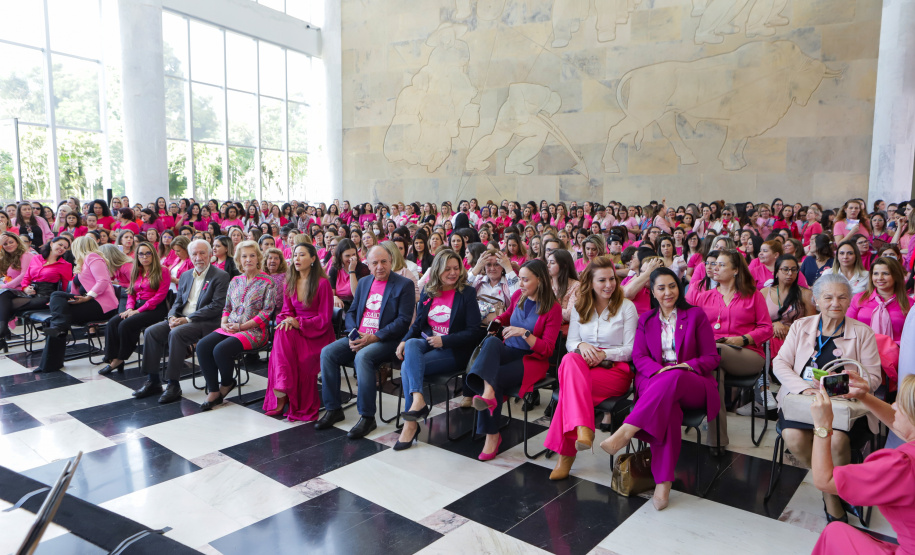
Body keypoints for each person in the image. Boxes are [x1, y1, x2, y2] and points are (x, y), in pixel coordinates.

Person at [599, 267, 721, 510]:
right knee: (669, 411)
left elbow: (711, 357)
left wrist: (684, 366)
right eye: (661, 288)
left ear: (679, 287)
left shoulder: (695, 316)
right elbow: (639, 357)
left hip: (692, 382)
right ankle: (663, 483)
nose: (668, 292)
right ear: (652, 292)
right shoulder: (646, 320)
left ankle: (626, 431)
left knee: (674, 377)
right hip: (655, 381)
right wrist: (660, 372)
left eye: (672, 286)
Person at [773, 272, 882, 522]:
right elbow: (780, 363)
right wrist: (802, 387)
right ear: (817, 300)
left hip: (842, 407)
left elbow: (874, 378)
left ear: (849, 301)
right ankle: (831, 493)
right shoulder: (801, 326)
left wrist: (843, 385)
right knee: (792, 436)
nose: (835, 303)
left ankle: (832, 489)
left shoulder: (862, 333)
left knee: (836, 442)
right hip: (803, 403)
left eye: (842, 297)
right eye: (828, 297)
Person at [545, 256, 638, 480]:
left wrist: (605, 353)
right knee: (569, 360)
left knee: (568, 393)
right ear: (590, 282)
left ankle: (567, 454)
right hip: (582, 368)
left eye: (612, 279)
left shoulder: (626, 307)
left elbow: (631, 349)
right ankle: (583, 429)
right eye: (601, 280)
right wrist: (582, 345)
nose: (608, 285)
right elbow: (570, 344)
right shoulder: (580, 306)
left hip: (615, 370)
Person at [465, 259, 562, 460]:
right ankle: (489, 395)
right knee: (492, 343)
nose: (521, 284)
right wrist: (499, 320)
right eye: (520, 279)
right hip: (510, 351)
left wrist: (525, 333)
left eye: (525, 280)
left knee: (494, 377)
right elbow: (509, 314)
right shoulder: (519, 295)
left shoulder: (553, 308)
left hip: (532, 360)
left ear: (540, 280)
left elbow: (548, 350)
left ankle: (492, 436)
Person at [316, 246, 415, 439]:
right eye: (374, 263)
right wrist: (355, 333)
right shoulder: (363, 283)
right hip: (360, 335)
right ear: (367, 265)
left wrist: (375, 337)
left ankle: (367, 417)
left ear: (391, 261)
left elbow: (403, 322)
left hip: (387, 340)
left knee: (363, 357)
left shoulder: (404, 285)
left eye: (383, 262)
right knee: (328, 353)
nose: (379, 267)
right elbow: (351, 312)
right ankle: (334, 408)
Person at [810, 374, 915, 554]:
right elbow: (906, 428)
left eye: (901, 404)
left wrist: (822, 425)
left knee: (835, 532)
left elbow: (824, 480)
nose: (894, 406)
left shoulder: (902, 466)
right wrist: (863, 396)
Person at [393, 250, 483, 450]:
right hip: (427, 343)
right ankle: (418, 398)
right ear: (437, 270)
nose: (453, 273)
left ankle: (410, 423)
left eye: (456, 268)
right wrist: (404, 340)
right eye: (447, 269)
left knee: (408, 366)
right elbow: (417, 325)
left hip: (454, 351)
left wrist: (446, 340)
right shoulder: (428, 291)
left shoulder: (466, 293)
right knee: (412, 344)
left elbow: (474, 332)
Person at [133, 239, 230, 403]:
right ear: (190, 256)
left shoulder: (220, 275)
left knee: (177, 334)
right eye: (195, 254)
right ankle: (153, 380)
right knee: (151, 332)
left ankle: (173, 384)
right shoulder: (185, 275)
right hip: (182, 319)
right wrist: (172, 317)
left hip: (206, 322)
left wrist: (187, 319)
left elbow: (216, 306)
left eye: (202, 253)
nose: (198, 257)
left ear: (210, 255)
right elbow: (178, 301)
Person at [695, 250, 774, 451]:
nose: (715, 268)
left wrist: (743, 339)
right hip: (715, 355)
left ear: (736, 270)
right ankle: (717, 441)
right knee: (714, 372)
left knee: (714, 355)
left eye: (721, 265)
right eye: (713, 264)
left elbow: (767, 328)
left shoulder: (753, 295)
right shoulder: (705, 297)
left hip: (748, 354)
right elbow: (694, 328)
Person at [196, 241, 277, 411]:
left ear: (258, 258)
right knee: (203, 346)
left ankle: (227, 383)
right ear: (239, 259)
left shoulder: (267, 281)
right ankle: (213, 389)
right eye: (244, 256)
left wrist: (243, 326)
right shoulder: (235, 280)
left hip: (254, 331)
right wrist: (224, 323)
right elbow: (227, 308)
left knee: (220, 350)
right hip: (230, 326)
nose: (248, 259)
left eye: (252, 255)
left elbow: (267, 311)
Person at [263, 243, 335, 421]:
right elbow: (286, 311)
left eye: (302, 255)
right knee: (282, 331)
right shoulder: (290, 281)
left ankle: (283, 393)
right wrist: (288, 320)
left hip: (318, 333)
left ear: (312, 259)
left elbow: (324, 319)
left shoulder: (323, 283)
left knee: (298, 355)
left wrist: (298, 322)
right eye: (295, 255)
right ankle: (284, 391)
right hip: (296, 330)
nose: (296, 258)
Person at [34, 237, 119, 373]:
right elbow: (75, 289)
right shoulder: (82, 263)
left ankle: (49, 364)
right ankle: (58, 333)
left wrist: (88, 297)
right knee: (57, 300)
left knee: (56, 319)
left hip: (101, 305)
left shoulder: (93, 257)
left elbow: (102, 281)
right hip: (88, 302)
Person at [98, 242, 171, 375]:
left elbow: (160, 296)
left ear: (153, 255)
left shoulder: (163, 270)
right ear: (137, 256)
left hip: (155, 309)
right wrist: (130, 308)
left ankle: (120, 359)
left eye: (148, 253)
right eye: (141, 254)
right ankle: (111, 357)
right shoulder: (137, 271)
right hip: (137, 306)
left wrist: (138, 310)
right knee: (112, 323)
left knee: (125, 325)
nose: (144, 257)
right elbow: (131, 292)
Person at [0, 236, 72, 351]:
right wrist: (25, 288)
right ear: (52, 243)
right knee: (4, 294)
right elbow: (26, 277)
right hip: (30, 292)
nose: (62, 248)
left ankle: (1, 332)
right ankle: (2, 330)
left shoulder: (65, 265)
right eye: (60, 244)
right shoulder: (36, 258)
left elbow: (65, 288)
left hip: (46, 296)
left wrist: (59, 301)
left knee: (6, 305)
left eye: (65, 247)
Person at [847, 256, 910, 343]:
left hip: (897, 352)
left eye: (886, 273)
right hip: (862, 350)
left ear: (896, 276)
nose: (880, 278)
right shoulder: (859, 298)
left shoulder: (909, 303)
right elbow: (847, 326)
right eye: (875, 273)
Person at [327, 238, 369, 309]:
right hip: (339, 305)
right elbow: (331, 292)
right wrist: (334, 297)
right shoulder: (334, 269)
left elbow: (357, 295)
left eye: (353, 255)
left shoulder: (362, 269)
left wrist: (352, 270)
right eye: (347, 256)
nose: (351, 258)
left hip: (355, 305)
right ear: (340, 256)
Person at [547, 249, 580, 324]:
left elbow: (570, 314)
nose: (548, 265)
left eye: (552, 263)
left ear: (564, 265)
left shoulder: (576, 286)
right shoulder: (546, 284)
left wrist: (549, 311)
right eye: (547, 262)